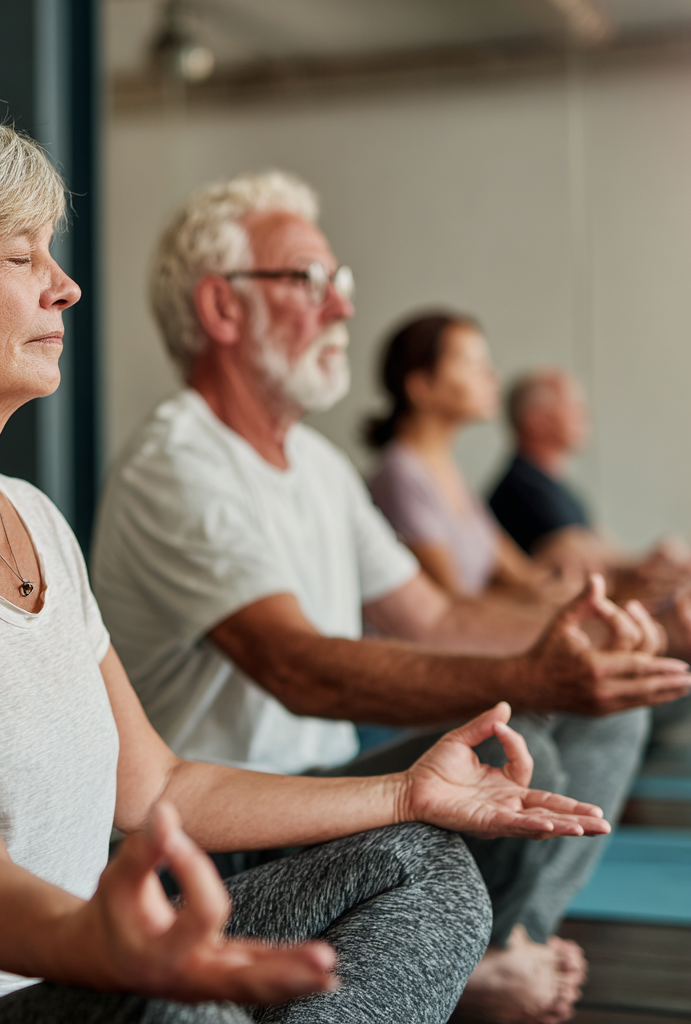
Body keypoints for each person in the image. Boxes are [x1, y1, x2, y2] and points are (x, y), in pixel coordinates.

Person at [0, 92, 605, 1024]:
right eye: (20, 256)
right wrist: (105, 951)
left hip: (46, 980)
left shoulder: (33, 520)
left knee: (421, 864)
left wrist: (406, 791)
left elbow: (158, 786)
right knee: (177, 1010)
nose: (64, 285)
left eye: (52, 254)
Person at [91, 171, 691, 1024]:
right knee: (528, 759)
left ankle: (503, 951)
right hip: (215, 837)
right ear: (222, 310)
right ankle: (484, 969)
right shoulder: (177, 463)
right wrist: (544, 677)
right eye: (310, 281)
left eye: (342, 285)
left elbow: (441, 616)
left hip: (315, 792)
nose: (340, 309)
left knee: (611, 715)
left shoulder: (321, 467)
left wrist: (624, 638)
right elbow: (301, 669)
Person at [366, 313, 565, 601]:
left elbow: (522, 578)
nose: (492, 376)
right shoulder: (400, 474)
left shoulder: (448, 471)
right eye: (471, 364)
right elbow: (452, 604)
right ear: (420, 386)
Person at [489, 369, 691, 598]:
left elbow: (604, 544)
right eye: (573, 406)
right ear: (536, 420)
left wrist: (658, 563)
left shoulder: (553, 487)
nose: (586, 415)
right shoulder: (522, 489)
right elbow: (588, 555)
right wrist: (657, 566)